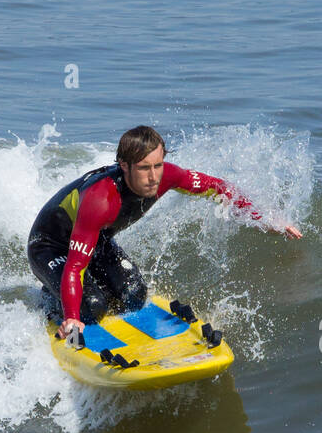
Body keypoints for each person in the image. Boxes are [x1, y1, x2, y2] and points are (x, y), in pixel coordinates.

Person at [27, 125, 301, 340]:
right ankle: (51, 299)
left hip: (93, 240)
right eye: (144, 168)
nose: (154, 176)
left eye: (158, 165)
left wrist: (263, 218)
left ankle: (83, 295)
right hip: (49, 245)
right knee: (92, 307)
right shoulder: (100, 201)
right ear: (124, 166)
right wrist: (73, 318)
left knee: (134, 295)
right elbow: (75, 266)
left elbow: (219, 188)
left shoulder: (168, 176)